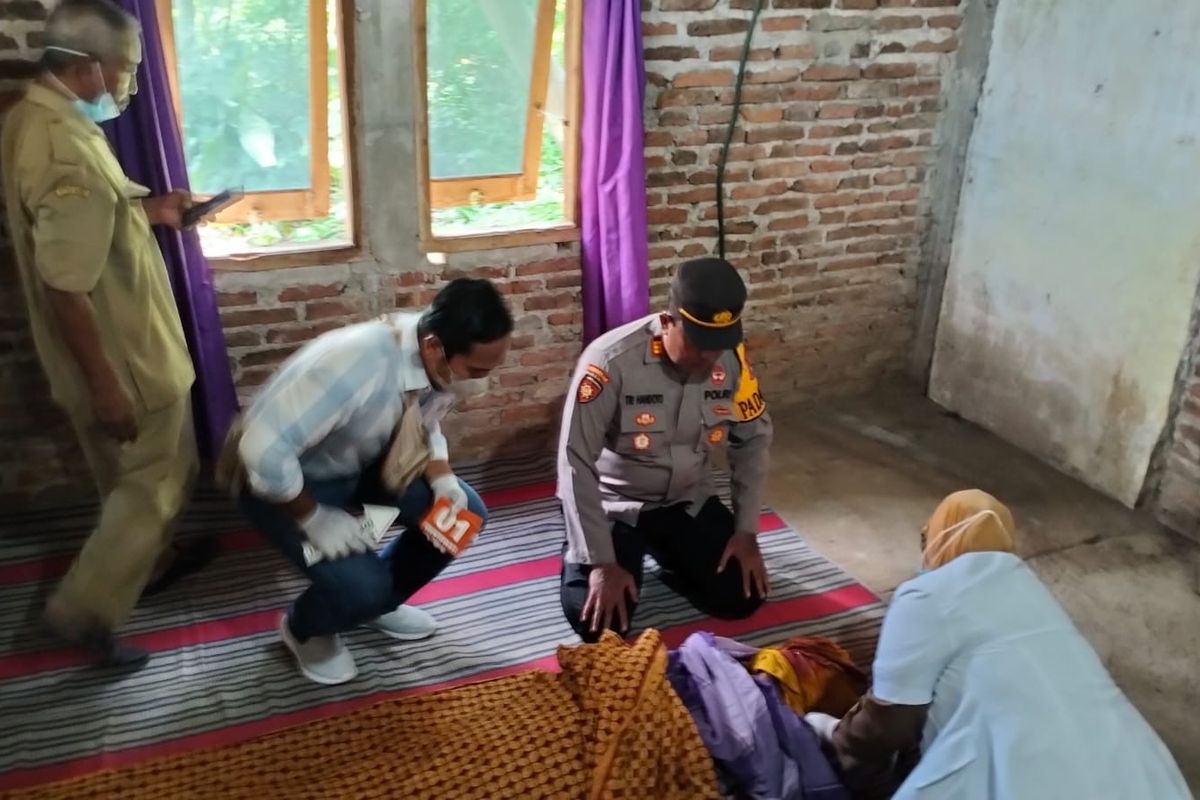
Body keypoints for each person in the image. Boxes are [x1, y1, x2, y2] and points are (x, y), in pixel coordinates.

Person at [1, 0, 215, 669]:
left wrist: (155, 211)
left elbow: (92, 224)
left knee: (124, 480)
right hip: (129, 361)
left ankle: (152, 561)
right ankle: (84, 612)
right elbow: (66, 285)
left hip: (117, 352)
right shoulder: (63, 148)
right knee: (156, 481)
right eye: (125, 67)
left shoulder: (39, 117)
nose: (130, 82)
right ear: (87, 66)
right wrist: (106, 386)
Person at [804, 490, 1190, 800]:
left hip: (1019, 768)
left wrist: (826, 733)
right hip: (1130, 768)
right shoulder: (1030, 588)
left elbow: (887, 725)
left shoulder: (925, 596)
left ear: (938, 536)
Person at [233, 278, 512, 685]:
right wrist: (313, 516)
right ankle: (305, 628)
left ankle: (374, 605)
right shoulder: (353, 364)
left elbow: (423, 424)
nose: (482, 380)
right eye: (477, 370)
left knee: (463, 515)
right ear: (434, 346)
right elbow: (261, 450)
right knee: (361, 587)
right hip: (284, 483)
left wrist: (444, 480)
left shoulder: (431, 353)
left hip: (361, 465)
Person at [557, 257, 774, 642]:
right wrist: (602, 562)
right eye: (699, 343)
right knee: (600, 625)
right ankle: (590, 551)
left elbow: (753, 440)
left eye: (718, 345)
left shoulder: (732, 358)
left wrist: (746, 532)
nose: (709, 357)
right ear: (669, 321)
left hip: (685, 501)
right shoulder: (609, 361)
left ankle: (670, 559)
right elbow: (574, 460)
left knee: (742, 596)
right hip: (617, 506)